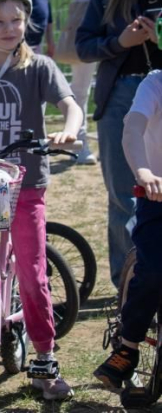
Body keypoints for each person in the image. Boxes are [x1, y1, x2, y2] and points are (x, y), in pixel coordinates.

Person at [0, 0, 82, 400]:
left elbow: (69, 103)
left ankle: (45, 357)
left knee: (31, 273)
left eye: (17, 19)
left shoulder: (39, 66)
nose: (10, 28)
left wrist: (68, 129)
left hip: (25, 186)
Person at [75, 0, 162, 288]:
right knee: (124, 195)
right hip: (120, 96)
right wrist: (119, 43)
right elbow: (83, 46)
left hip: (159, 91)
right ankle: (127, 285)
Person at [94, 68, 162, 390]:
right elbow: (133, 127)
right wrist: (144, 170)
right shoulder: (155, 83)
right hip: (157, 196)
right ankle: (129, 346)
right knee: (154, 271)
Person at [59, 0, 130, 165]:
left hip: (118, 21)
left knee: (115, 85)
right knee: (81, 87)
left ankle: (120, 142)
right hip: (87, 21)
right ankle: (80, 145)